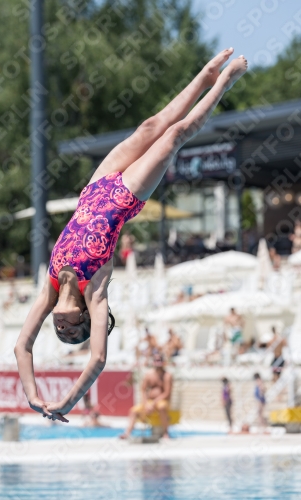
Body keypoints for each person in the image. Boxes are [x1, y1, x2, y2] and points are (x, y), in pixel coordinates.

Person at [14, 49, 248, 422]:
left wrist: (32, 394)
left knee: (149, 126)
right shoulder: (95, 293)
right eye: (68, 329)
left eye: (57, 328)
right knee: (173, 136)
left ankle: (203, 75)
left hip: (93, 189)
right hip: (125, 195)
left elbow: (22, 346)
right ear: (84, 321)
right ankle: (224, 81)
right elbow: (98, 359)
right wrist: (69, 401)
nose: (59, 325)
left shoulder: (51, 287)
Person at [120, 353, 173, 439]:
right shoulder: (149, 375)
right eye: (156, 360)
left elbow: (167, 393)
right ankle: (127, 433)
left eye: (159, 360)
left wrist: (154, 403)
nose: (157, 362)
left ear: (163, 362)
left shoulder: (167, 376)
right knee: (133, 411)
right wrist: (146, 403)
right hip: (150, 401)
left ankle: (165, 433)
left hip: (162, 401)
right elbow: (143, 390)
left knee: (162, 407)